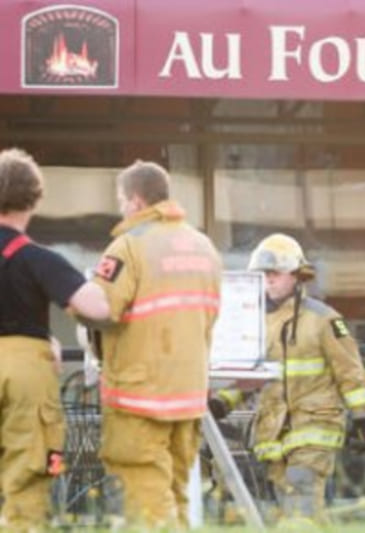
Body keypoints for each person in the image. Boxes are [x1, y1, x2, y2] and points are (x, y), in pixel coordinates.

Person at [92, 160, 222, 527]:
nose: (121, 208)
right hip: (189, 394)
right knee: (177, 494)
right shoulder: (204, 247)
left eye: (121, 199)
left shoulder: (128, 247)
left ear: (135, 201)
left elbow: (101, 309)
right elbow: (210, 316)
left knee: (146, 497)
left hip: (139, 396)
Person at [0, 148, 110, 530]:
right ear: (34, 198)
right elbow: (95, 307)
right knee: (30, 473)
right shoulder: (37, 259)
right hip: (25, 374)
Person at [249, 233, 365, 525]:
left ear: (296, 276)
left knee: (301, 492)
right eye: (263, 274)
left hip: (316, 425)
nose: (268, 280)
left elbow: (350, 370)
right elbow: (251, 374)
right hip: (274, 430)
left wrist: (362, 416)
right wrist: (222, 400)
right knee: (294, 509)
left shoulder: (325, 319)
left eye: (275, 273)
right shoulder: (255, 322)